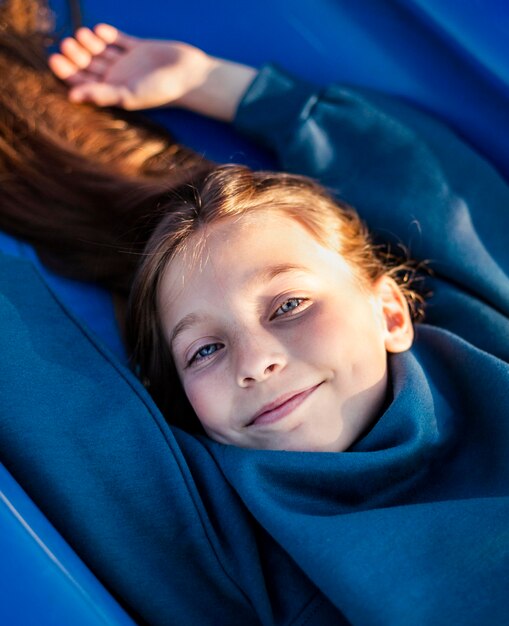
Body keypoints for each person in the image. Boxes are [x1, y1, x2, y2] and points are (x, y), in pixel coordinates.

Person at [2, 13, 509, 624]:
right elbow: (43, 388)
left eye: (289, 305)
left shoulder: (483, 337)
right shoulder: (235, 552)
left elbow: (438, 190)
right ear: (188, 404)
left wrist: (213, 83)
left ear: (391, 313)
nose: (256, 360)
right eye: (204, 351)